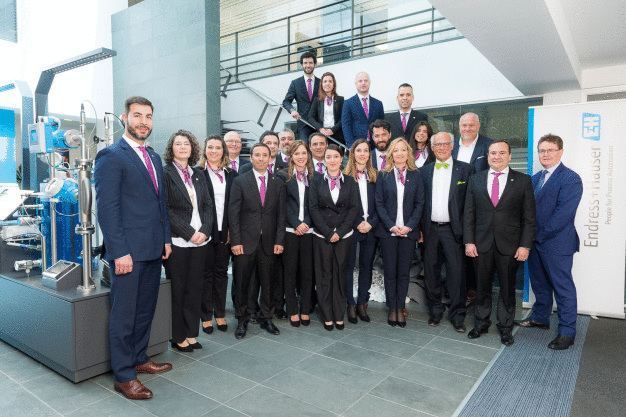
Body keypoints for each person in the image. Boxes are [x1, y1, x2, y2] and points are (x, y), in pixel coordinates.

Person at [94, 96, 172, 400]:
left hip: (153, 248)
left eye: (149, 116)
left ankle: (140, 359)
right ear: (125, 119)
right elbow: (107, 209)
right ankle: (124, 376)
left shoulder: (152, 157)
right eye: (137, 116)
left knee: (144, 312)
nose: (144, 122)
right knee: (125, 315)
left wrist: (165, 238)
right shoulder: (111, 155)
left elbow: (160, 203)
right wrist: (118, 251)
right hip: (128, 253)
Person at [464, 140, 536, 346]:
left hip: (510, 245)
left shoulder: (523, 181)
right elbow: (468, 213)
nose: (497, 156)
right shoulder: (476, 180)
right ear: (488, 156)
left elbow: (529, 218)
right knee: (482, 286)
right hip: (481, 243)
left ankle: (505, 327)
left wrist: (525, 245)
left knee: (507, 288)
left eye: (501, 153)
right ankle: (481, 323)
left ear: (510, 156)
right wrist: (469, 241)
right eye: (493, 153)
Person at [519, 134, 583, 351]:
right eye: (542, 151)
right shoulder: (535, 178)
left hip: (557, 244)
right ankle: (540, 317)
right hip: (535, 243)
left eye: (550, 150)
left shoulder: (571, 178)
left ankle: (567, 332)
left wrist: (536, 234)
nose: (545, 154)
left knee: (563, 288)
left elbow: (563, 215)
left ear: (560, 152)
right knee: (539, 283)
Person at [229, 143, 286, 339]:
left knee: (268, 282)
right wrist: (235, 241)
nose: (261, 158)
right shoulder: (240, 181)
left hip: (270, 242)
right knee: (243, 282)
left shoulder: (277, 183)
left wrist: (280, 240)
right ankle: (242, 320)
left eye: (265, 155)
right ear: (251, 158)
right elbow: (233, 215)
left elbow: (281, 215)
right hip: (244, 242)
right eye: (257, 155)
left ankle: (266, 318)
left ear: (271, 158)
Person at [162, 130, 212, 352]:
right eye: (178, 144)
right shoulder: (165, 173)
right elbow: (164, 209)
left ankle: (192, 333)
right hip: (179, 241)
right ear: (171, 148)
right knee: (178, 290)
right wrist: (189, 232)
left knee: (195, 289)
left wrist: (204, 230)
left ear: (192, 148)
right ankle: (177, 335)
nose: (183, 147)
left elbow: (208, 206)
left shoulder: (198, 174)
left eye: (186, 144)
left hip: (200, 242)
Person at [420, 132, 475, 333]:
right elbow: (419, 203)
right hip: (430, 229)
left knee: (456, 273)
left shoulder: (466, 170)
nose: (441, 147)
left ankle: (458, 315)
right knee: (431, 273)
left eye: (445, 144)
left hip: (454, 231)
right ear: (432, 148)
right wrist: (419, 230)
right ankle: (435, 310)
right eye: (437, 144)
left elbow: (471, 204)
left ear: (452, 146)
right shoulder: (423, 171)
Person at [375, 138, 425, 328]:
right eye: (396, 150)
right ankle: (392, 308)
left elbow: (420, 203)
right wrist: (391, 225)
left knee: (403, 273)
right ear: (391, 154)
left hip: (407, 232)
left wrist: (409, 226)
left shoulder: (416, 175)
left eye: (403, 150)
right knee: (390, 272)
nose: (400, 153)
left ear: (408, 153)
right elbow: (379, 203)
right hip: (389, 232)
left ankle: (400, 306)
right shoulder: (383, 175)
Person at [309, 144, 359, 331]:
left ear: (341, 158)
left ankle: (339, 315)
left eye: (335, 156)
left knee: (340, 275)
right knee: (324, 276)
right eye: (328, 157)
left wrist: (340, 232)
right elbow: (313, 208)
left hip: (344, 236)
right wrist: (329, 233)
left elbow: (353, 209)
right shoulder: (316, 180)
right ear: (325, 160)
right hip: (322, 235)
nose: (332, 160)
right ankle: (327, 315)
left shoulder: (350, 181)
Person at [199, 134, 237, 335]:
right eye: (210, 147)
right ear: (205, 150)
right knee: (206, 275)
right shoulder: (197, 173)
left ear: (224, 151)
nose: (214, 151)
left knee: (221, 273)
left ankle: (220, 313)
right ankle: (206, 316)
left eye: (218, 148)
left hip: (225, 231)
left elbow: (235, 205)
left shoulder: (231, 174)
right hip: (205, 232)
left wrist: (232, 228)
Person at [277, 140, 314, 327]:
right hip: (290, 231)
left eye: (304, 153)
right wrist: (297, 223)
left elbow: (315, 205)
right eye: (297, 153)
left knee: (307, 273)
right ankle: (292, 310)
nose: (301, 157)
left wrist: (306, 223)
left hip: (309, 231)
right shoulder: (282, 176)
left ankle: (305, 309)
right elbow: (282, 205)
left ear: (308, 155)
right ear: (291, 156)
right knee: (289, 272)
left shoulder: (315, 177)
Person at [343, 139, 378, 323]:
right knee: (349, 267)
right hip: (352, 227)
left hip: (371, 228)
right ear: (353, 154)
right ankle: (350, 303)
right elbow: (343, 205)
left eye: (366, 150)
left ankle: (361, 303)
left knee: (366, 267)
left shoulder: (376, 176)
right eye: (359, 150)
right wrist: (357, 222)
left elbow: (381, 203)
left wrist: (370, 223)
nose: (362, 154)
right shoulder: (345, 176)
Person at [282, 51, 321, 141]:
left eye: (311, 63)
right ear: (301, 65)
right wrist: (292, 110)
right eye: (305, 63)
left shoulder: (321, 82)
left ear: (315, 64)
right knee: (305, 149)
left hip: (319, 124)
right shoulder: (295, 83)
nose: (308, 65)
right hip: (304, 124)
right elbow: (286, 101)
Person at [341, 72, 385, 149]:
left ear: (370, 83)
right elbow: (346, 125)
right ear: (355, 83)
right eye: (360, 81)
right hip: (356, 145)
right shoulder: (348, 103)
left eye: (366, 80)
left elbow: (382, 125)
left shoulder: (378, 104)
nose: (363, 83)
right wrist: (351, 145)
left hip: (375, 146)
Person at [308, 72, 345, 146]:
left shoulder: (340, 100)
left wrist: (332, 130)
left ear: (333, 84)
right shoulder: (317, 100)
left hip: (336, 135)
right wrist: (320, 129)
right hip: (321, 136)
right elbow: (310, 117)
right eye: (325, 81)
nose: (327, 83)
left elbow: (343, 118)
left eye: (330, 81)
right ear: (321, 84)